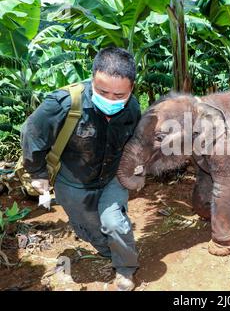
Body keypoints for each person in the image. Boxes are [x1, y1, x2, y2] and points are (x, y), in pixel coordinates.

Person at [20, 47, 141, 291]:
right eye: (102, 91)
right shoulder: (63, 104)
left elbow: (134, 140)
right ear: (93, 77)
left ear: (132, 89)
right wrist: (38, 175)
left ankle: (125, 267)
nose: (110, 100)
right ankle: (107, 250)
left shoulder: (132, 108)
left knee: (115, 223)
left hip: (111, 178)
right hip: (73, 182)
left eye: (119, 95)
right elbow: (31, 134)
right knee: (89, 228)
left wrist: (136, 167)